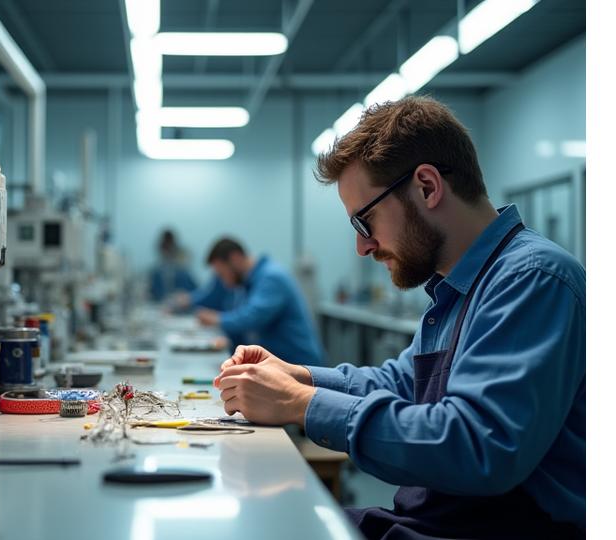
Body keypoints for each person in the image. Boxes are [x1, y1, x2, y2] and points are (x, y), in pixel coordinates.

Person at [214, 96, 585, 538]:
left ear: (427, 186)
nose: (363, 247)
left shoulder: (532, 279)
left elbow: (479, 447)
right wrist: (299, 377)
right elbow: (402, 383)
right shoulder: (459, 287)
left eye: (364, 223)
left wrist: (300, 404)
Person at [187, 237, 325, 367]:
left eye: (223, 275)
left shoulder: (271, 277)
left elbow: (251, 317)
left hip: (301, 366)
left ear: (235, 258)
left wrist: (216, 319)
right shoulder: (249, 283)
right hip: (281, 365)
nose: (225, 284)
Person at [148, 229, 197, 302]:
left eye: (169, 247)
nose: (167, 252)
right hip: (162, 305)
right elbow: (152, 293)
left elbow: (194, 293)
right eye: (165, 248)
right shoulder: (156, 272)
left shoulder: (183, 272)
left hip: (181, 306)